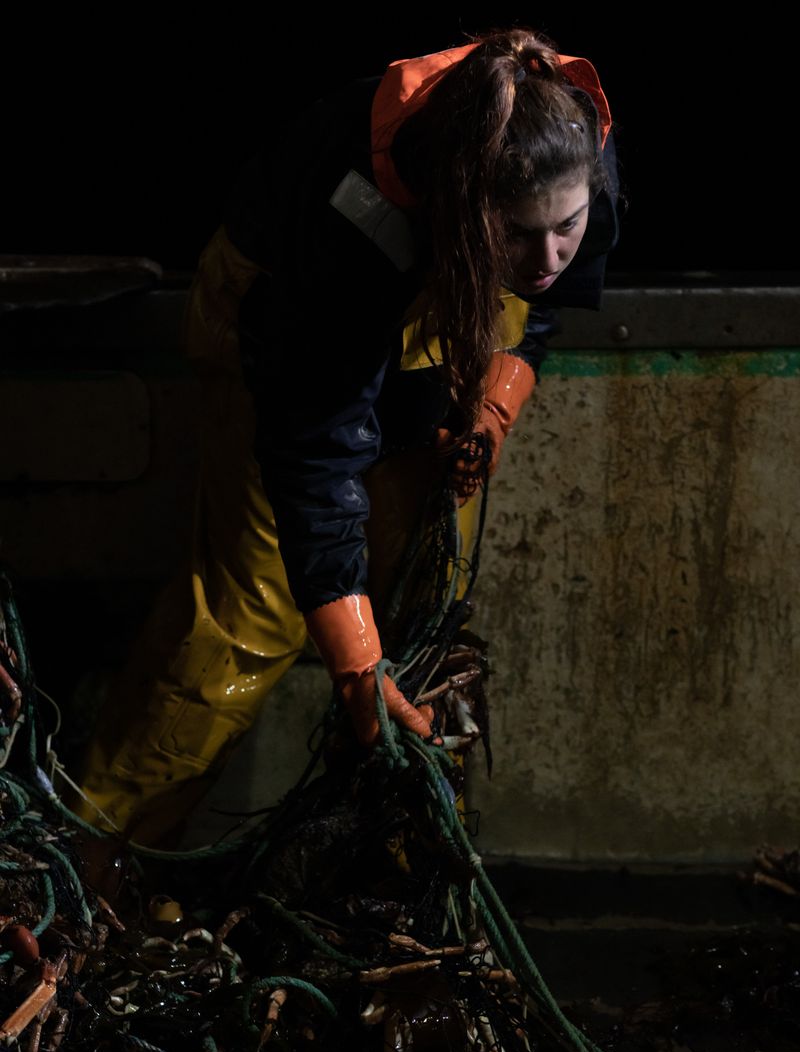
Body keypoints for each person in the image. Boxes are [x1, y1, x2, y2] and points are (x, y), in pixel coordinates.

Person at [72, 28, 617, 846]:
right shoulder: (346, 224)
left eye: (564, 228)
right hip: (282, 341)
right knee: (250, 622)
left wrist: (494, 402)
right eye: (520, 237)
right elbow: (315, 454)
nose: (548, 257)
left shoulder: (573, 150)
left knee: (428, 612)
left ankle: (398, 888)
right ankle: (96, 876)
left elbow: (538, 295)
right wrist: (358, 668)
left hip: (437, 313)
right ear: (468, 215)